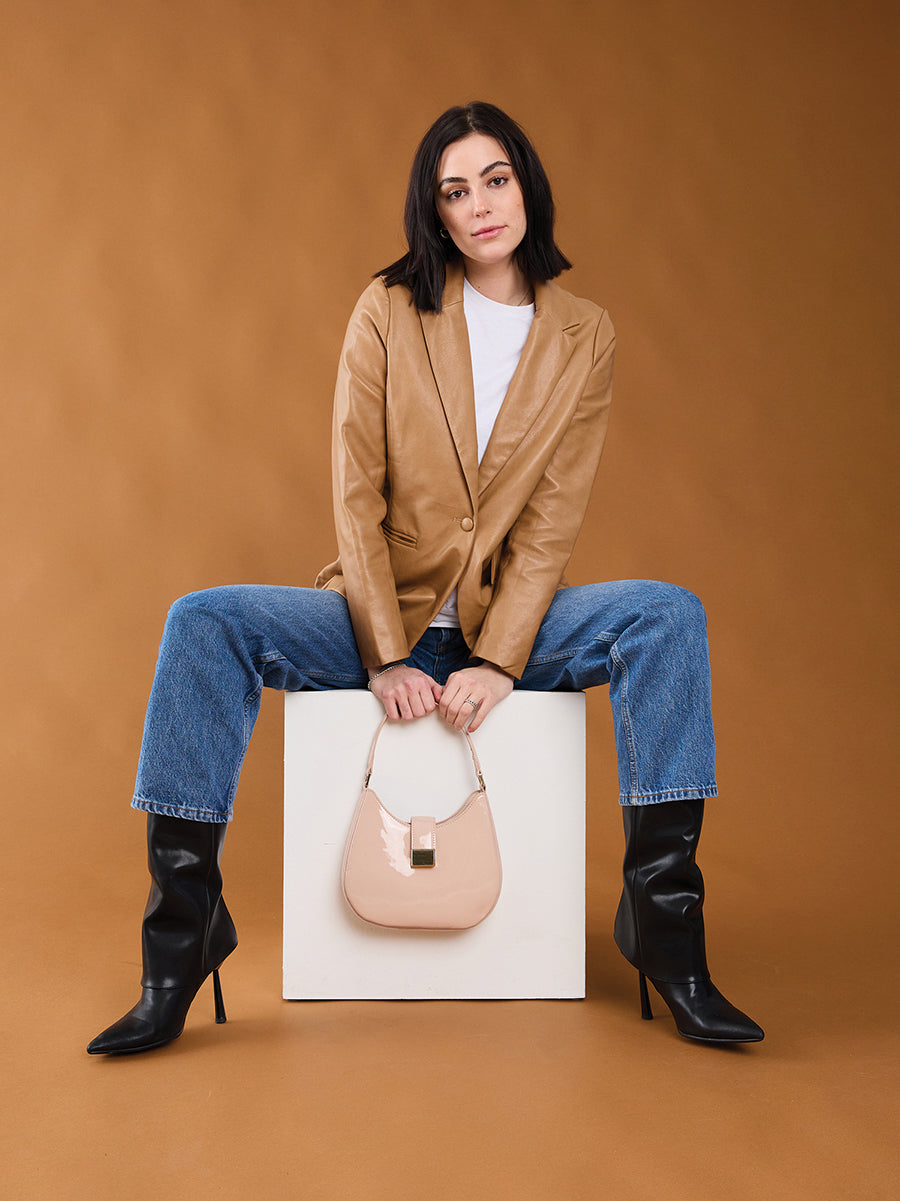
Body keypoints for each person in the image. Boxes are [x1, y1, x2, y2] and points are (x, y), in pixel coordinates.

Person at [87, 102, 763, 1055]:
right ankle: (180, 943)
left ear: (526, 186)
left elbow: (552, 516)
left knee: (667, 614)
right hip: (376, 613)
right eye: (455, 191)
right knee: (203, 620)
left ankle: (666, 933)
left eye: (496, 180)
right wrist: (384, 654)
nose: (481, 205)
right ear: (435, 213)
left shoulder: (586, 334)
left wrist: (499, 658)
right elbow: (355, 490)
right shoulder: (390, 308)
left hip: (509, 622)